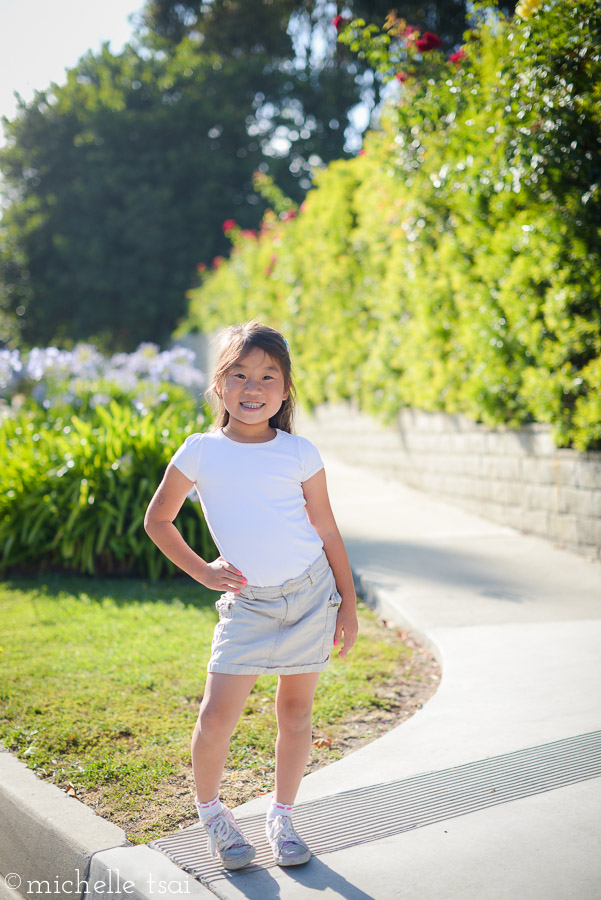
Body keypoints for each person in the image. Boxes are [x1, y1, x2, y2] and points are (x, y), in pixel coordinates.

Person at [144, 321, 358, 871]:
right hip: (248, 603)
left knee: (296, 711)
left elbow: (329, 531)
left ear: (285, 390)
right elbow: (159, 520)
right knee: (217, 716)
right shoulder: (199, 451)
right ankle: (214, 815)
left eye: (268, 375)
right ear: (219, 385)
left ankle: (282, 817)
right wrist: (203, 571)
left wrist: (349, 607)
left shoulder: (300, 453)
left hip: (311, 594)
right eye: (238, 374)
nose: (252, 386)